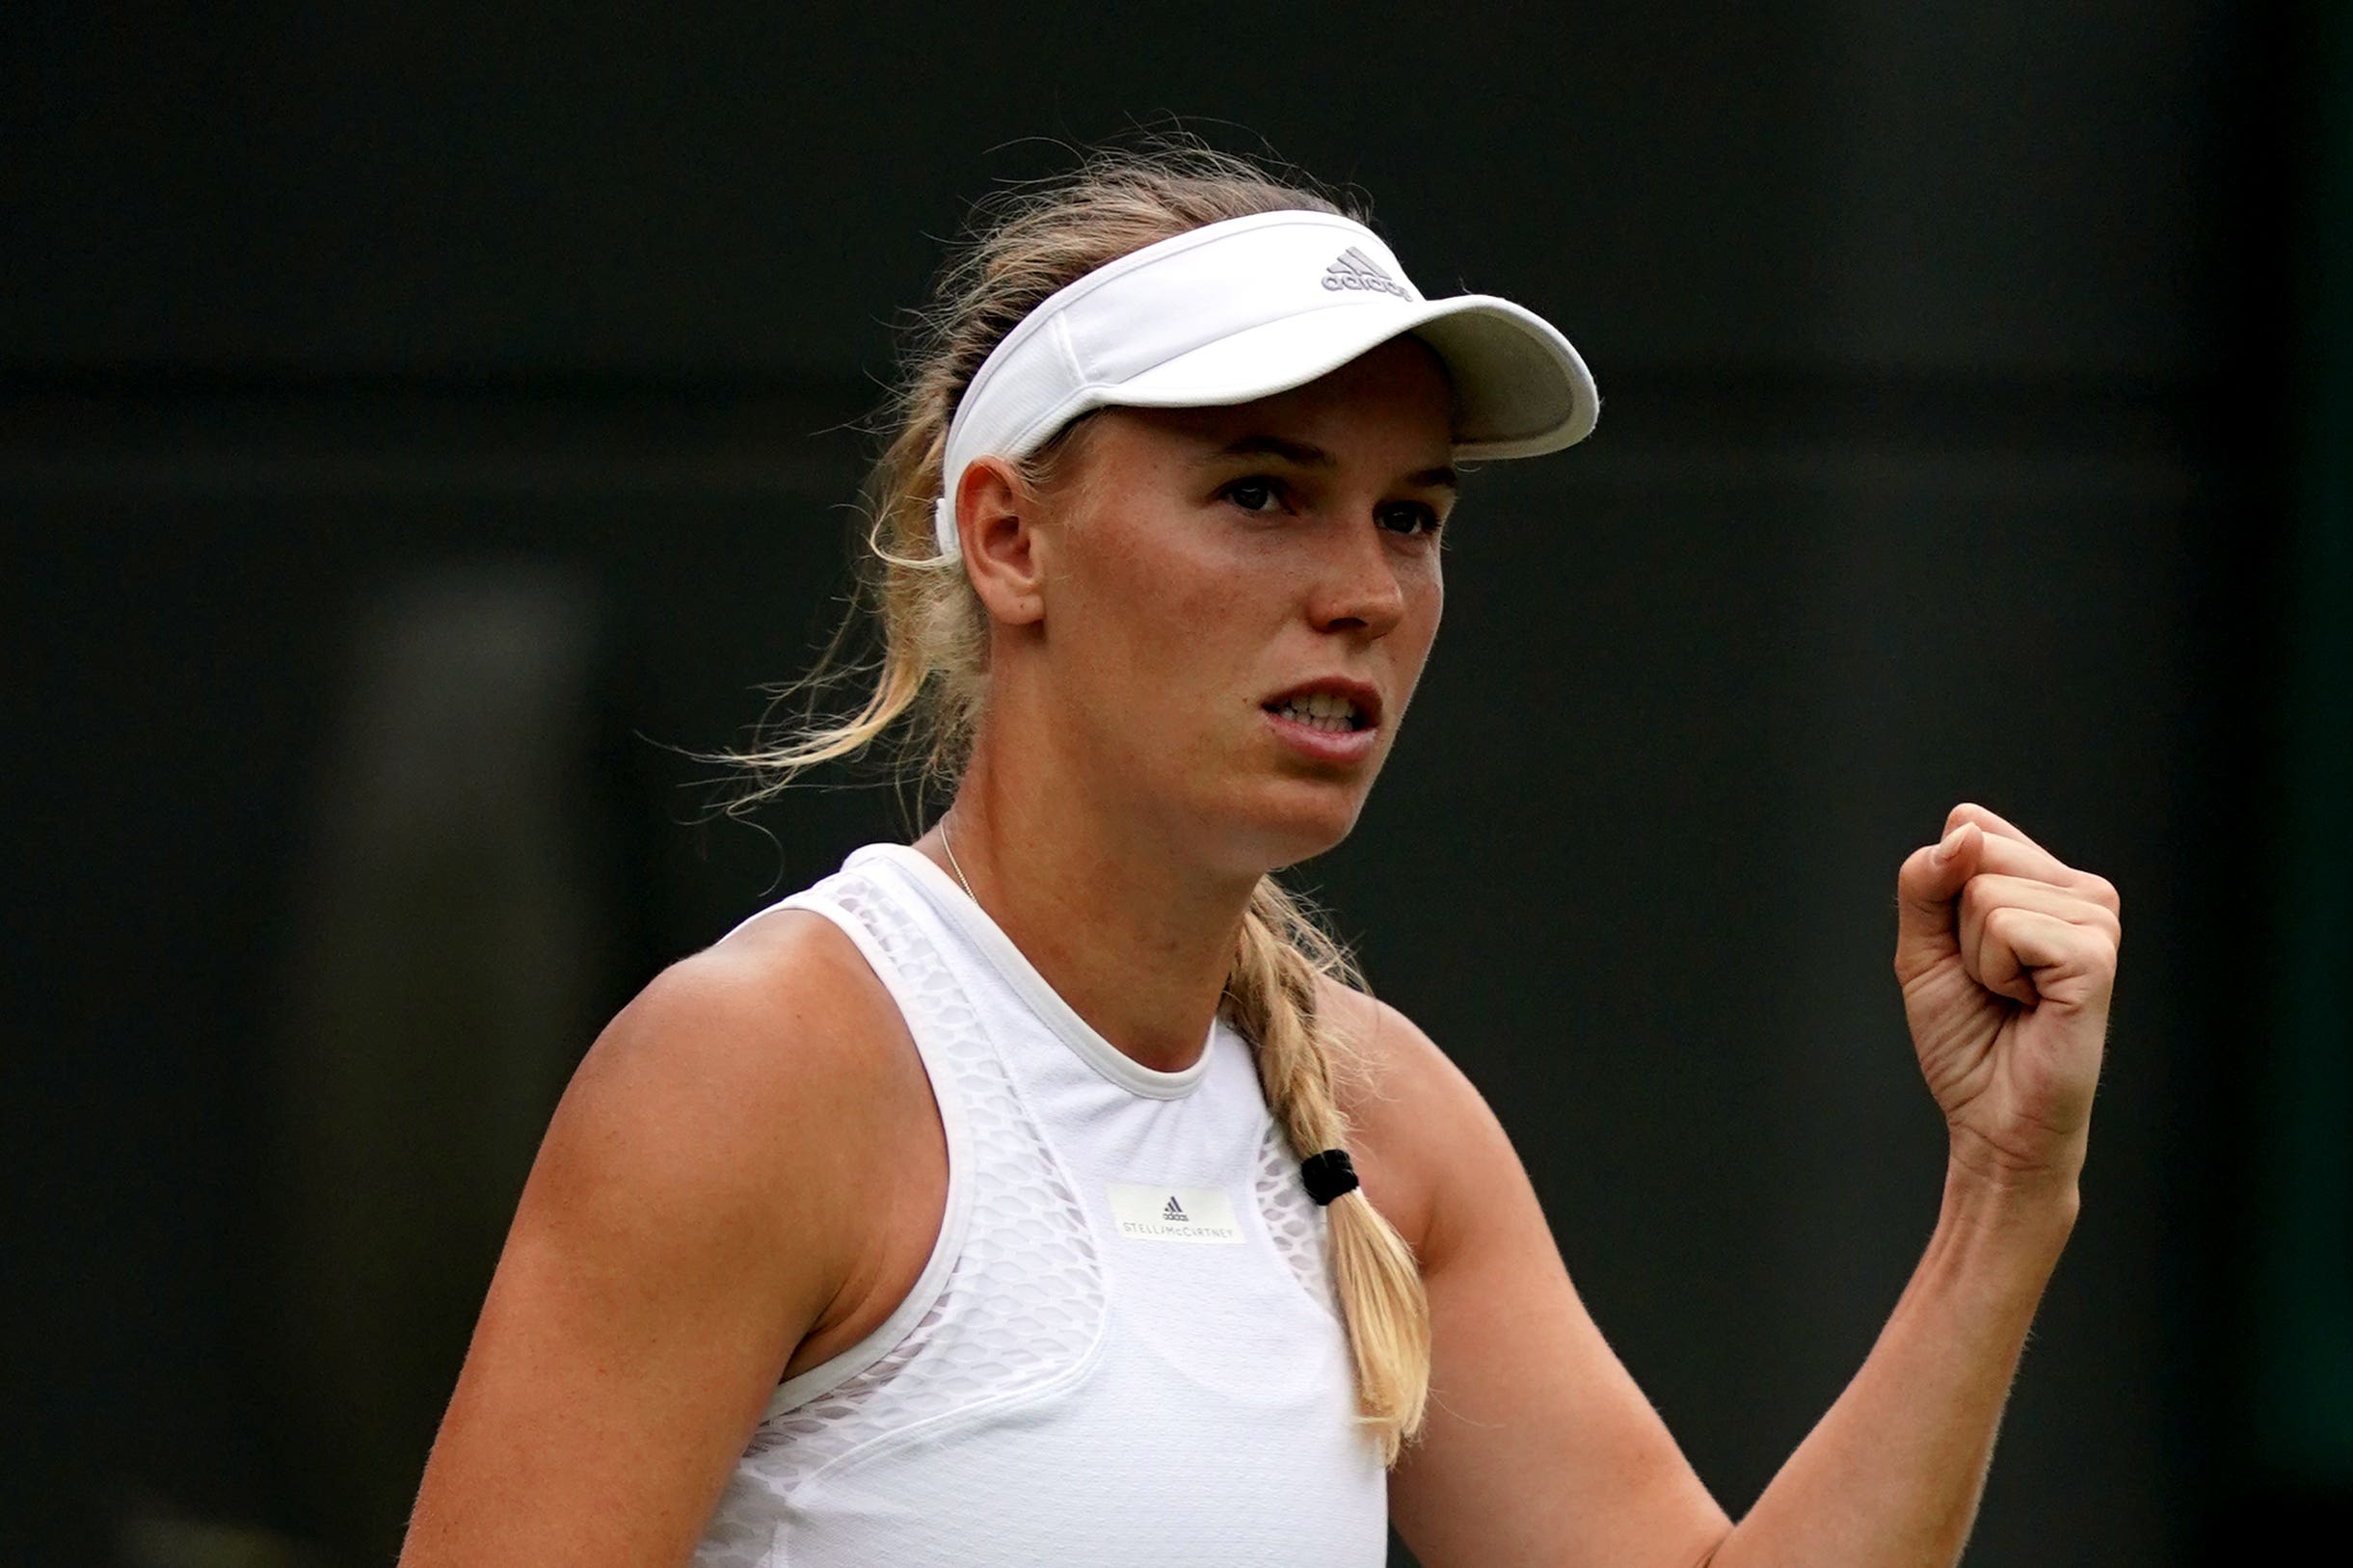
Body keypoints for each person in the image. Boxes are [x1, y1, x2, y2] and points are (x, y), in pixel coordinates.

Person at [397, 141, 2122, 1568]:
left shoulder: (1385, 1125)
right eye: (1262, 493)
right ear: (1010, 537)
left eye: (1412, 517)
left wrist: (2004, 1194)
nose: (1365, 591)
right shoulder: (761, 1069)